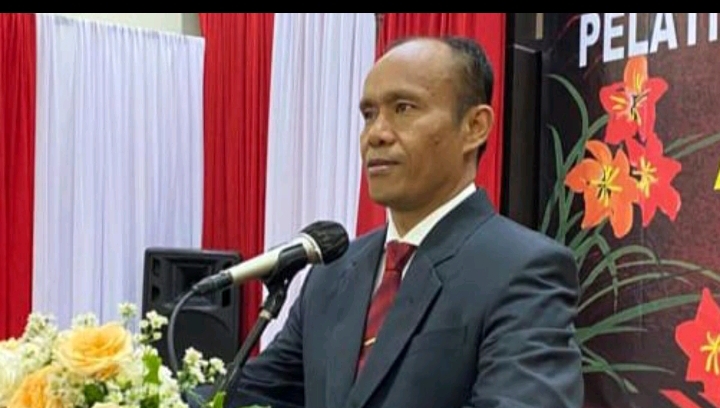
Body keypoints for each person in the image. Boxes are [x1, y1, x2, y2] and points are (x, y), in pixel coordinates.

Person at [224, 35, 584, 408]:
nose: (376, 134)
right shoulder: (333, 272)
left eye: (404, 108)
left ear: (474, 126)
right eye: (369, 114)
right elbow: (251, 394)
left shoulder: (523, 269)